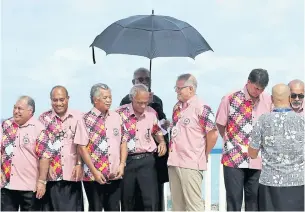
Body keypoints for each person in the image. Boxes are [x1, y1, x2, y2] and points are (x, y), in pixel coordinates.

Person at [216, 68, 272, 211]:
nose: (258, 92)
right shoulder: (230, 98)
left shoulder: (268, 100)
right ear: (248, 82)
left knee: (254, 200)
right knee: (233, 200)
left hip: (258, 159)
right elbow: (220, 124)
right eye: (256, 88)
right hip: (233, 158)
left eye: (261, 89)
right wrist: (231, 141)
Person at [120, 67, 170, 211]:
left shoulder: (156, 101)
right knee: (129, 200)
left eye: (147, 79)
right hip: (129, 157)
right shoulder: (125, 102)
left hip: (150, 158)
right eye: (140, 79)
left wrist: (162, 138)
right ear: (133, 81)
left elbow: (158, 125)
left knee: (152, 200)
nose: (144, 81)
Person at [249, 83, 304, 211]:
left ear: (272, 99)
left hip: (269, 183)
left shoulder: (263, 121)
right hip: (297, 182)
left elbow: (252, 153)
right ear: (290, 98)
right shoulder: (302, 121)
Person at [167, 74, 218, 211]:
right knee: (177, 206)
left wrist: (205, 153)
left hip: (191, 162)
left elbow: (212, 133)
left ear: (190, 89)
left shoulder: (201, 107)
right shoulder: (177, 107)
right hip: (174, 161)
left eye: (179, 88)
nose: (177, 91)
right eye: (176, 88)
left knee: (193, 205)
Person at [77, 83, 128, 211]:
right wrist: (95, 171)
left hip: (115, 174)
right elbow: (82, 148)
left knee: (114, 208)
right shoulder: (84, 119)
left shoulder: (117, 117)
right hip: (93, 176)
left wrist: (122, 164)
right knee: (95, 208)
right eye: (105, 97)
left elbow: (123, 142)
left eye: (110, 97)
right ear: (95, 100)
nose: (109, 100)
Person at [36, 85, 88, 211]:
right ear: (50, 100)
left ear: (68, 99)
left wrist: (79, 163)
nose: (58, 103)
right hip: (51, 176)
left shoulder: (79, 117)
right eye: (55, 100)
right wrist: (44, 169)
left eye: (61, 99)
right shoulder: (43, 119)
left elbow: (82, 144)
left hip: (72, 176)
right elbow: (39, 148)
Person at [1, 96, 47, 211]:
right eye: (15, 108)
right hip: (7, 185)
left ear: (30, 111)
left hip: (29, 188)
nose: (16, 111)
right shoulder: (6, 125)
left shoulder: (39, 129)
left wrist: (41, 181)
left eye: (20, 108)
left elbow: (44, 157)